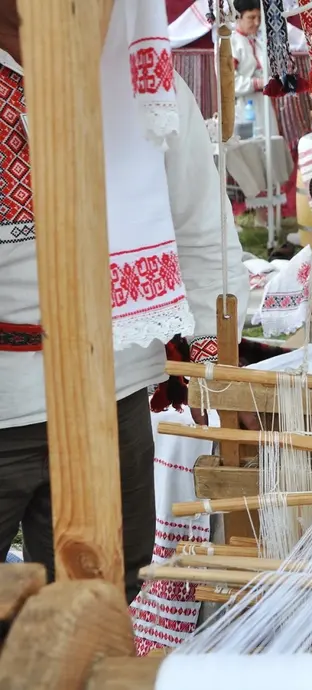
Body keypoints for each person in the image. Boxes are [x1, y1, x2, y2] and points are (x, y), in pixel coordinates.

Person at [0, 0, 250, 602]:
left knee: (107, 592)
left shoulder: (146, 82)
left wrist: (219, 367)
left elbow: (201, 231)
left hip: (108, 391)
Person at [230, 0, 279, 138]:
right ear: (238, 17)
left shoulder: (259, 42)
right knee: (250, 147)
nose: (257, 22)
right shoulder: (230, 43)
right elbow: (228, 83)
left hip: (263, 105)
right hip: (242, 106)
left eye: (259, 18)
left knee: (270, 146)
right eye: (251, 17)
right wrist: (258, 83)